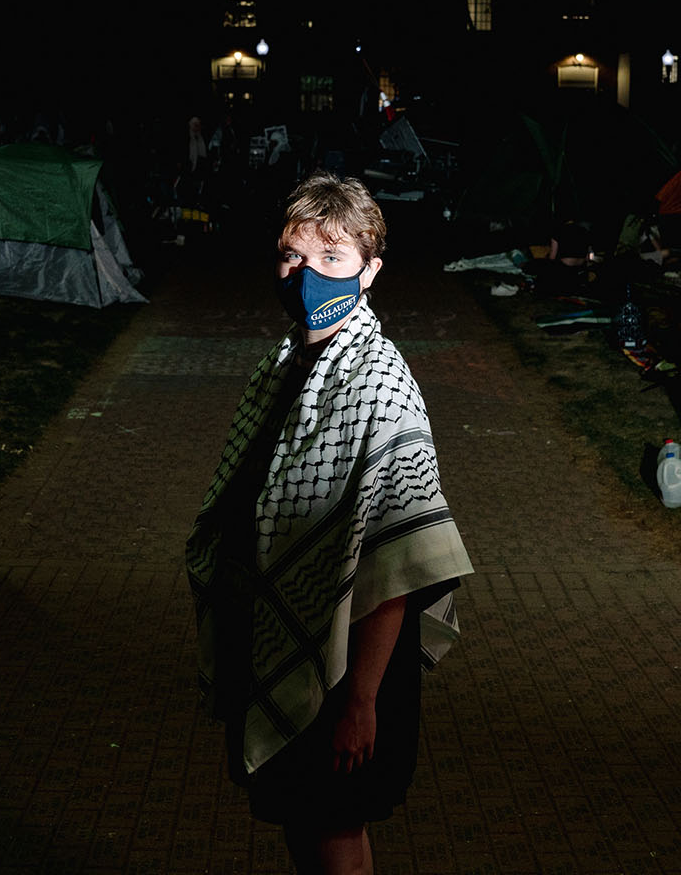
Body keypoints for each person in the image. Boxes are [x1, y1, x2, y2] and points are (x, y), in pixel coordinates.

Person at [187, 171, 474, 875]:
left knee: (336, 833)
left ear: (370, 271)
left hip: (346, 663)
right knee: (303, 822)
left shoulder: (380, 384)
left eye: (332, 260)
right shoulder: (286, 363)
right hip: (284, 630)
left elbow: (400, 563)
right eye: (294, 257)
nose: (307, 277)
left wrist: (360, 702)